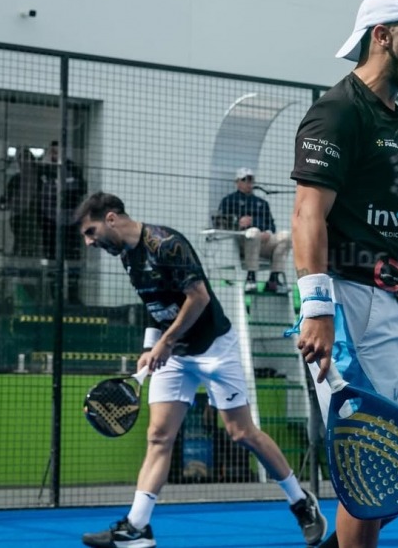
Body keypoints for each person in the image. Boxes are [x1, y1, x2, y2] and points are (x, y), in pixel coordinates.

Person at [289, 0, 398, 548]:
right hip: (356, 306)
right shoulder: (337, 110)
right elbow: (307, 214)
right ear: (383, 36)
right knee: (369, 476)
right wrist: (317, 309)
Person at [74, 192, 326, 548]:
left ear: (111, 219)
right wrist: (150, 346)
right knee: (159, 436)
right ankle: (137, 527)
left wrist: (165, 342)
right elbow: (155, 305)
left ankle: (301, 502)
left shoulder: (166, 245)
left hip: (214, 349)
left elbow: (199, 298)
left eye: (90, 231)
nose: (89, 242)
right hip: (175, 356)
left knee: (242, 433)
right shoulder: (128, 257)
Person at [216, 167, 292, 294]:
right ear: (237, 182)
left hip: (263, 241)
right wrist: (237, 222)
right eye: (245, 179)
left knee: (286, 236)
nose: (248, 183)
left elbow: (271, 225)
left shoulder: (262, 203)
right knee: (253, 232)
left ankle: (274, 280)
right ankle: (251, 278)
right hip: (242, 242)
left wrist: (266, 232)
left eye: (251, 180)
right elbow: (220, 223)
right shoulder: (228, 201)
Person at [38, 141, 87, 304]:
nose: (55, 154)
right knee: (52, 258)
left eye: (58, 151)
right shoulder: (42, 170)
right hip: (49, 225)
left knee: (72, 257)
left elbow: (81, 189)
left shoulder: (73, 169)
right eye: (52, 151)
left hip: (71, 224)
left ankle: (73, 297)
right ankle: (54, 297)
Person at [0, 146, 40, 257]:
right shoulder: (17, 179)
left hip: (33, 216)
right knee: (22, 240)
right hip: (20, 216)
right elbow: (6, 198)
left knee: (29, 241)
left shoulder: (37, 179)